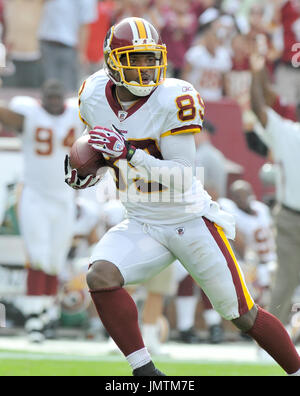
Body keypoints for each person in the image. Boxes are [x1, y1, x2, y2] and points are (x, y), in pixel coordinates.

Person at [65, 17, 300, 376]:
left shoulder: (173, 97)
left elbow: (181, 175)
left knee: (243, 316)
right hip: (142, 220)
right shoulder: (94, 94)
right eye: (135, 58)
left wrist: (130, 153)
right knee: (100, 276)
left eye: (150, 58)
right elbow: (99, 154)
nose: (145, 69)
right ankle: (146, 373)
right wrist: (86, 173)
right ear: (112, 61)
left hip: (189, 219)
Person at [0, 80, 83, 342]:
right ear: (42, 97)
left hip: (65, 197)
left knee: (55, 260)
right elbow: (7, 115)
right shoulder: (29, 114)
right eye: (50, 95)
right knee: (38, 256)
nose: (55, 99)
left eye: (59, 94)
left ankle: (46, 315)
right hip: (35, 195)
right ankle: (34, 319)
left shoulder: (76, 113)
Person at [251, 51, 300, 330]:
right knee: (285, 280)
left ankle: (272, 338)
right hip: (292, 217)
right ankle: (273, 336)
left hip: (291, 216)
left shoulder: (287, 132)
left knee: (286, 279)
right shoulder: (288, 132)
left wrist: (257, 73)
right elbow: (260, 107)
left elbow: (258, 106)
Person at [38, 0, 98, 92]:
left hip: (69, 46)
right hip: (47, 41)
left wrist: (81, 53)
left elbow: (85, 26)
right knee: (46, 87)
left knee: (68, 88)